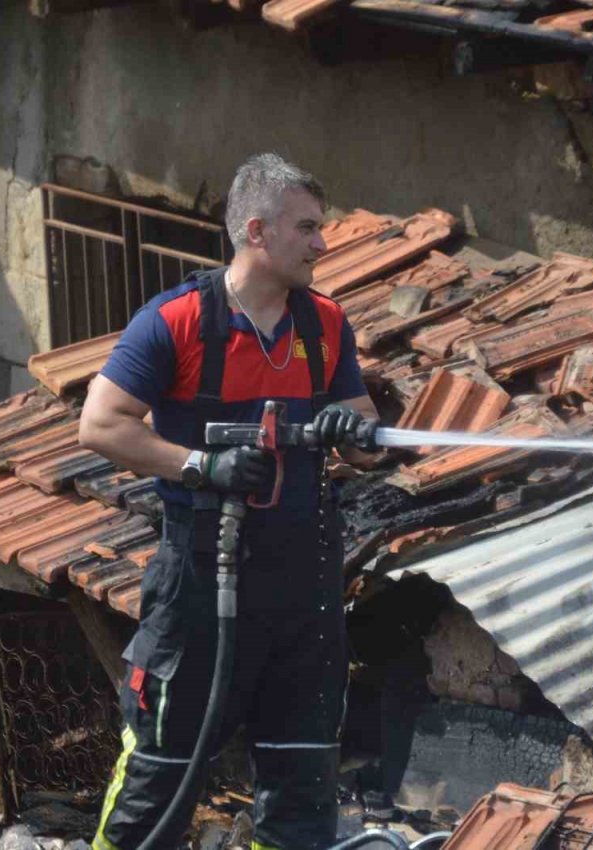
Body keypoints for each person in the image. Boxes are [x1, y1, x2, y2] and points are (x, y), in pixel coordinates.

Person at [78, 153, 380, 850]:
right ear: (257, 231)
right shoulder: (177, 321)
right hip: (201, 587)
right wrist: (201, 466)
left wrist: (348, 427)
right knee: (160, 779)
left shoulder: (326, 325)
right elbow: (100, 424)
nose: (322, 244)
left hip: (304, 596)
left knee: (301, 800)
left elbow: (366, 444)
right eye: (307, 227)